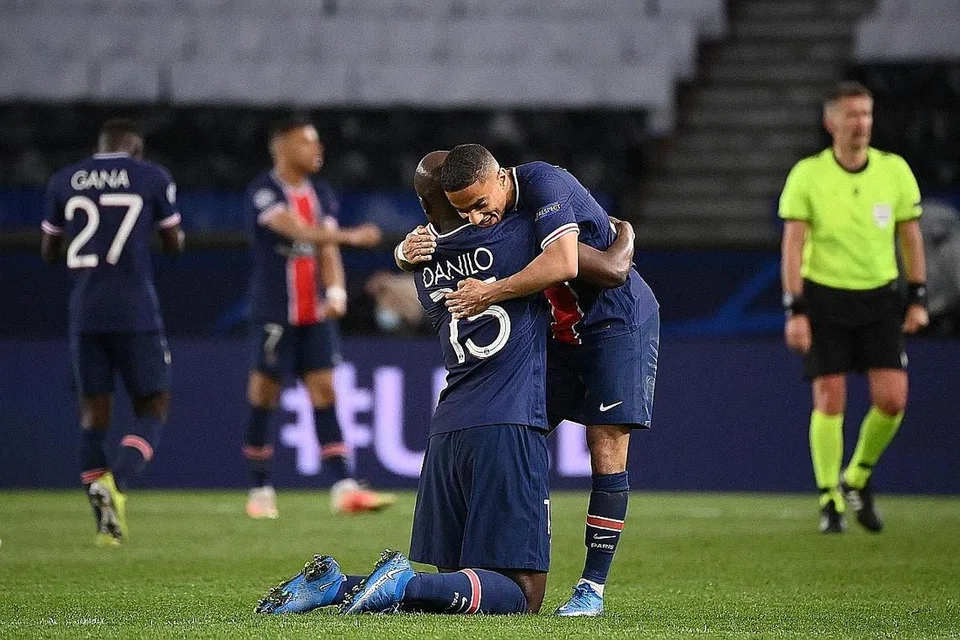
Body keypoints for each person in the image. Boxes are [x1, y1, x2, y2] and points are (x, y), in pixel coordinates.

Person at [254, 150, 579, 616]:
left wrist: (402, 252)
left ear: (426, 209)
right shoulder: (517, 236)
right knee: (524, 595)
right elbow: (566, 257)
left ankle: (334, 586)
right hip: (508, 420)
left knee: (452, 584)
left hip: (448, 430)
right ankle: (402, 583)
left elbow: (426, 250)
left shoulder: (424, 265)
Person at [419, 143, 660, 617]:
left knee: (605, 446)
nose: (477, 219)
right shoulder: (502, 217)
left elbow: (584, 267)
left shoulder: (543, 184)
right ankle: (483, 564)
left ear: (500, 177)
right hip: (564, 332)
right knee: (515, 429)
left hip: (617, 325)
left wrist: (492, 291)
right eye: (464, 212)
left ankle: (592, 588)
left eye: (480, 205)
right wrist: (406, 250)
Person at [779, 81, 929, 534]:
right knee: (830, 398)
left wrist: (917, 296)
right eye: (851, 115)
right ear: (831, 123)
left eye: (866, 114)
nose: (860, 123)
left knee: (892, 399)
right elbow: (793, 245)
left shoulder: (894, 171)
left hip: (879, 297)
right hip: (824, 296)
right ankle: (829, 498)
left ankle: (857, 476)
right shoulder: (808, 174)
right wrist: (795, 308)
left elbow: (910, 237)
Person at [40, 118, 186, 546]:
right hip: (135, 310)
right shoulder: (151, 176)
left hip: (85, 311)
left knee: (93, 417)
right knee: (154, 406)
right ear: (135, 148)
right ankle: (116, 481)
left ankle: (104, 524)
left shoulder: (64, 180)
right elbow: (173, 245)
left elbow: (48, 252)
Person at [242, 116, 392, 518]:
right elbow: (297, 231)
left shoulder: (321, 193)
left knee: (325, 391)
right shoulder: (263, 191)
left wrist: (337, 291)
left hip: (314, 312)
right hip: (275, 310)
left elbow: (326, 248)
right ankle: (259, 489)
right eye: (308, 142)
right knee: (265, 394)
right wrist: (352, 236)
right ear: (282, 147)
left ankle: (344, 486)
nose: (317, 149)